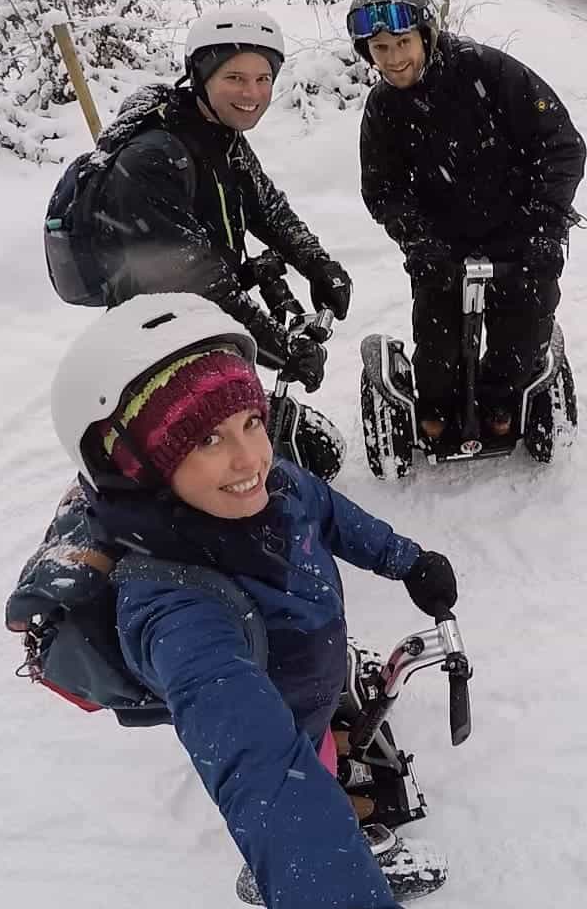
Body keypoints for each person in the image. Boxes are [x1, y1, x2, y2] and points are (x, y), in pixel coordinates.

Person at [24, 293, 460, 908]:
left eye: (251, 422)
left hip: (311, 682)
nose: (250, 458)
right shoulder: (171, 606)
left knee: (318, 743)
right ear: (140, 468)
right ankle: (293, 856)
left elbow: (328, 511)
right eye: (206, 439)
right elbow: (263, 773)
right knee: (309, 775)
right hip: (284, 718)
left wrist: (406, 559)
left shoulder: (268, 483)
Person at [349, 0, 587, 440]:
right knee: (437, 343)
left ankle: (501, 401)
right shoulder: (383, 108)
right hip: (442, 241)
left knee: (520, 331)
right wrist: (417, 238)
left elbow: (561, 145)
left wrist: (546, 225)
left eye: (403, 43)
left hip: (518, 229)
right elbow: (383, 189)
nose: (394, 59)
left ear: (426, 35)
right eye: (380, 49)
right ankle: (438, 405)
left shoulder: (486, 71)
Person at [87, 7, 352, 392]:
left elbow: (267, 207)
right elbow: (194, 279)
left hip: (205, 331)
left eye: (263, 78)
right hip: (158, 352)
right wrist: (282, 349)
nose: (253, 93)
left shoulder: (220, 134)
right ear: (200, 77)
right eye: (235, 78)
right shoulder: (151, 157)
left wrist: (317, 264)